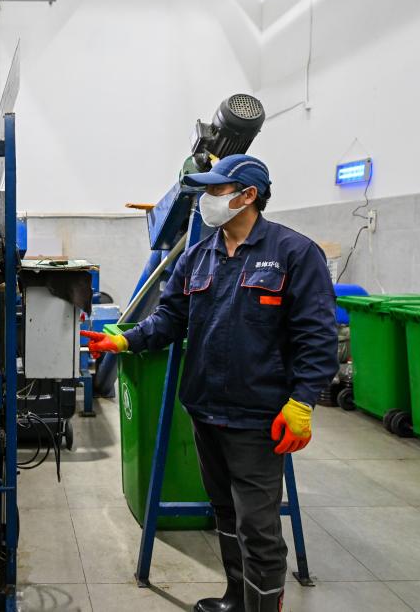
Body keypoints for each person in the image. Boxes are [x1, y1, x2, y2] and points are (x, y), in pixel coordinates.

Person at [82, 154, 338, 612]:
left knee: (257, 526)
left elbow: (316, 336)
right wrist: (125, 341)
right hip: (204, 410)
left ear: (248, 195)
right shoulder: (198, 256)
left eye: (217, 190)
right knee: (224, 510)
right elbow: (170, 318)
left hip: (259, 418)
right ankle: (236, 597)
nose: (207, 199)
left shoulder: (295, 253)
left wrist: (303, 402)